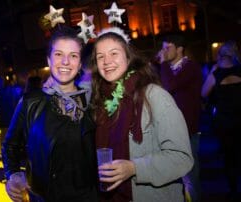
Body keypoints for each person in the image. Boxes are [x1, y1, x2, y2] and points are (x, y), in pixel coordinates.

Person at [89, 27, 193, 202]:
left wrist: (134, 168)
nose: (107, 61)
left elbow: (181, 158)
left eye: (114, 53)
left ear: (128, 57)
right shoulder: (102, 103)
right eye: (100, 56)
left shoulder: (154, 96)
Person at [2, 26, 98, 202]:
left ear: (79, 65)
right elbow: (10, 145)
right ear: (49, 60)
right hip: (45, 197)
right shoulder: (31, 102)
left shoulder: (92, 102)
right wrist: (13, 174)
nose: (65, 61)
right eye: (59, 54)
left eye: (73, 55)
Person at [157, 34, 202, 202]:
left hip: (188, 129)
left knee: (190, 175)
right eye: (163, 48)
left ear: (180, 48)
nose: (163, 52)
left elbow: (170, 85)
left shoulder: (190, 67)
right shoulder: (166, 69)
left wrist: (162, 64)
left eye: (167, 48)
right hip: (170, 129)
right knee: (174, 176)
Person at [201, 40, 241, 201]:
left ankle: (233, 190)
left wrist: (211, 72)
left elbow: (203, 93)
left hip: (224, 121)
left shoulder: (215, 73)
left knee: (229, 156)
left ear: (220, 55)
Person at [0, 76, 21, 158]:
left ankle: (9, 169)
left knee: (3, 150)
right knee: (12, 148)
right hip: (12, 123)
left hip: (3, 125)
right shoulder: (9, 92)